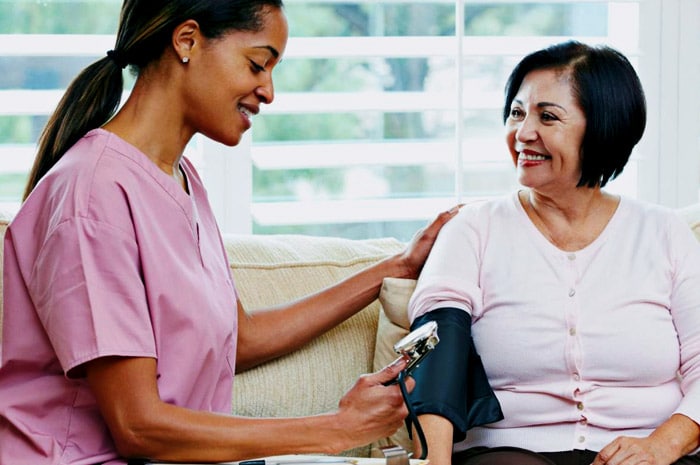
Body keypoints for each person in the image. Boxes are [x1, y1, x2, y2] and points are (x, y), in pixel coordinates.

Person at [0, 1, 459, 464]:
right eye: (257, 64)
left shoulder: (182, 181)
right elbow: (138, 426)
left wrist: (394, 267)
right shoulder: (92, 192)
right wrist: (334, 430)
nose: (269, 91)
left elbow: (239, 339)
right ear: (188, 41)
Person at [405, 40, 700, 465]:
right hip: (513, 453)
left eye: (547, 117)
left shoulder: (663, 232)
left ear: (603, 126)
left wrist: (662, 445)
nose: (523, 133)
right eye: (517, 112)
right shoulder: (473, 229)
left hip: (647, 452)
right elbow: (436, 353)